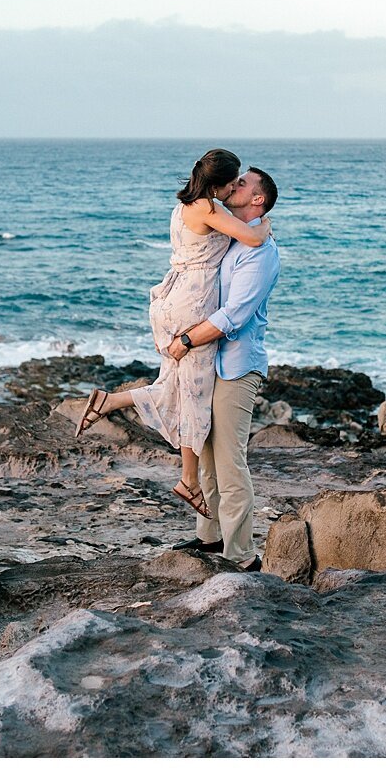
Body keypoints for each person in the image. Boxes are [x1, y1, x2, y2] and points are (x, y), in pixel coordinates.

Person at [74, 149, 270, 520]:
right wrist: (265, 226)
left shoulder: (187, 205)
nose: (234, 187)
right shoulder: (210, 210)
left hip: (172, 299)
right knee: (194, 397)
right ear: (218, 184)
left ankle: (110, 403)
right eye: (233, 181)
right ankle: (187, 480)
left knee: (178, 387)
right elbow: (254, 238)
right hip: (192, 307)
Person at [165, 166, 279, 572]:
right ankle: (209, 539)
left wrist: (186, 340)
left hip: (235, 367)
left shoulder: (260, 253)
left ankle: (242, 556)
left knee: (231, 464)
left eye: (243, 183)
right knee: (208, 458)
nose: (235, 186)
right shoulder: (233, 235)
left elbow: (234, 314)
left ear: (257, 199)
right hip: (211, 363)